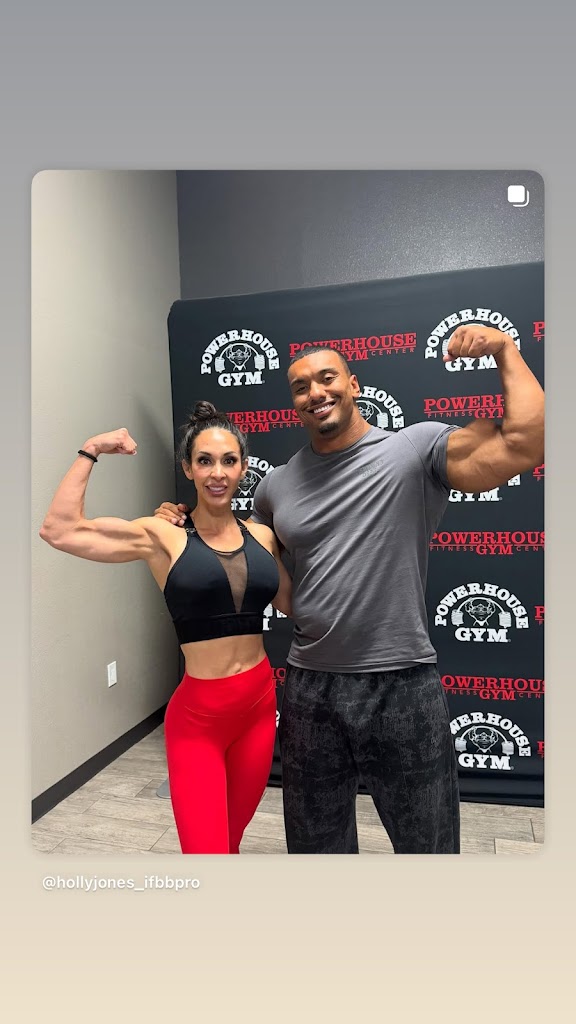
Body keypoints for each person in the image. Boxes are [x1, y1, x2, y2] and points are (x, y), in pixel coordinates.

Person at [155, 324, 545, 854]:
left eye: (326, 378)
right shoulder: (277, 486)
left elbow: (526, 443)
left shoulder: (414, 450)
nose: (315, 392)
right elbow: (235, 548)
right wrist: (179, 521)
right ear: (294, 403)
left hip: (402, 683)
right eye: (300, 387)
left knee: (429, 849)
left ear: (354, 384)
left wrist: (504, 349)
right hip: (311, 689)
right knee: (317, 851)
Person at [40, 401, 292, 854]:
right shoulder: (163, 535)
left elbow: (296, 605)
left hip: (258, 709)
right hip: (199, 722)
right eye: (205, 461)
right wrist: (91, 449)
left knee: (231, 843)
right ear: (188, 468)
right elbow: (59, 530)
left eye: (228, 461)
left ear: (243, 467)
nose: (217, 473)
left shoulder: (263, 537)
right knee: (206, 855)